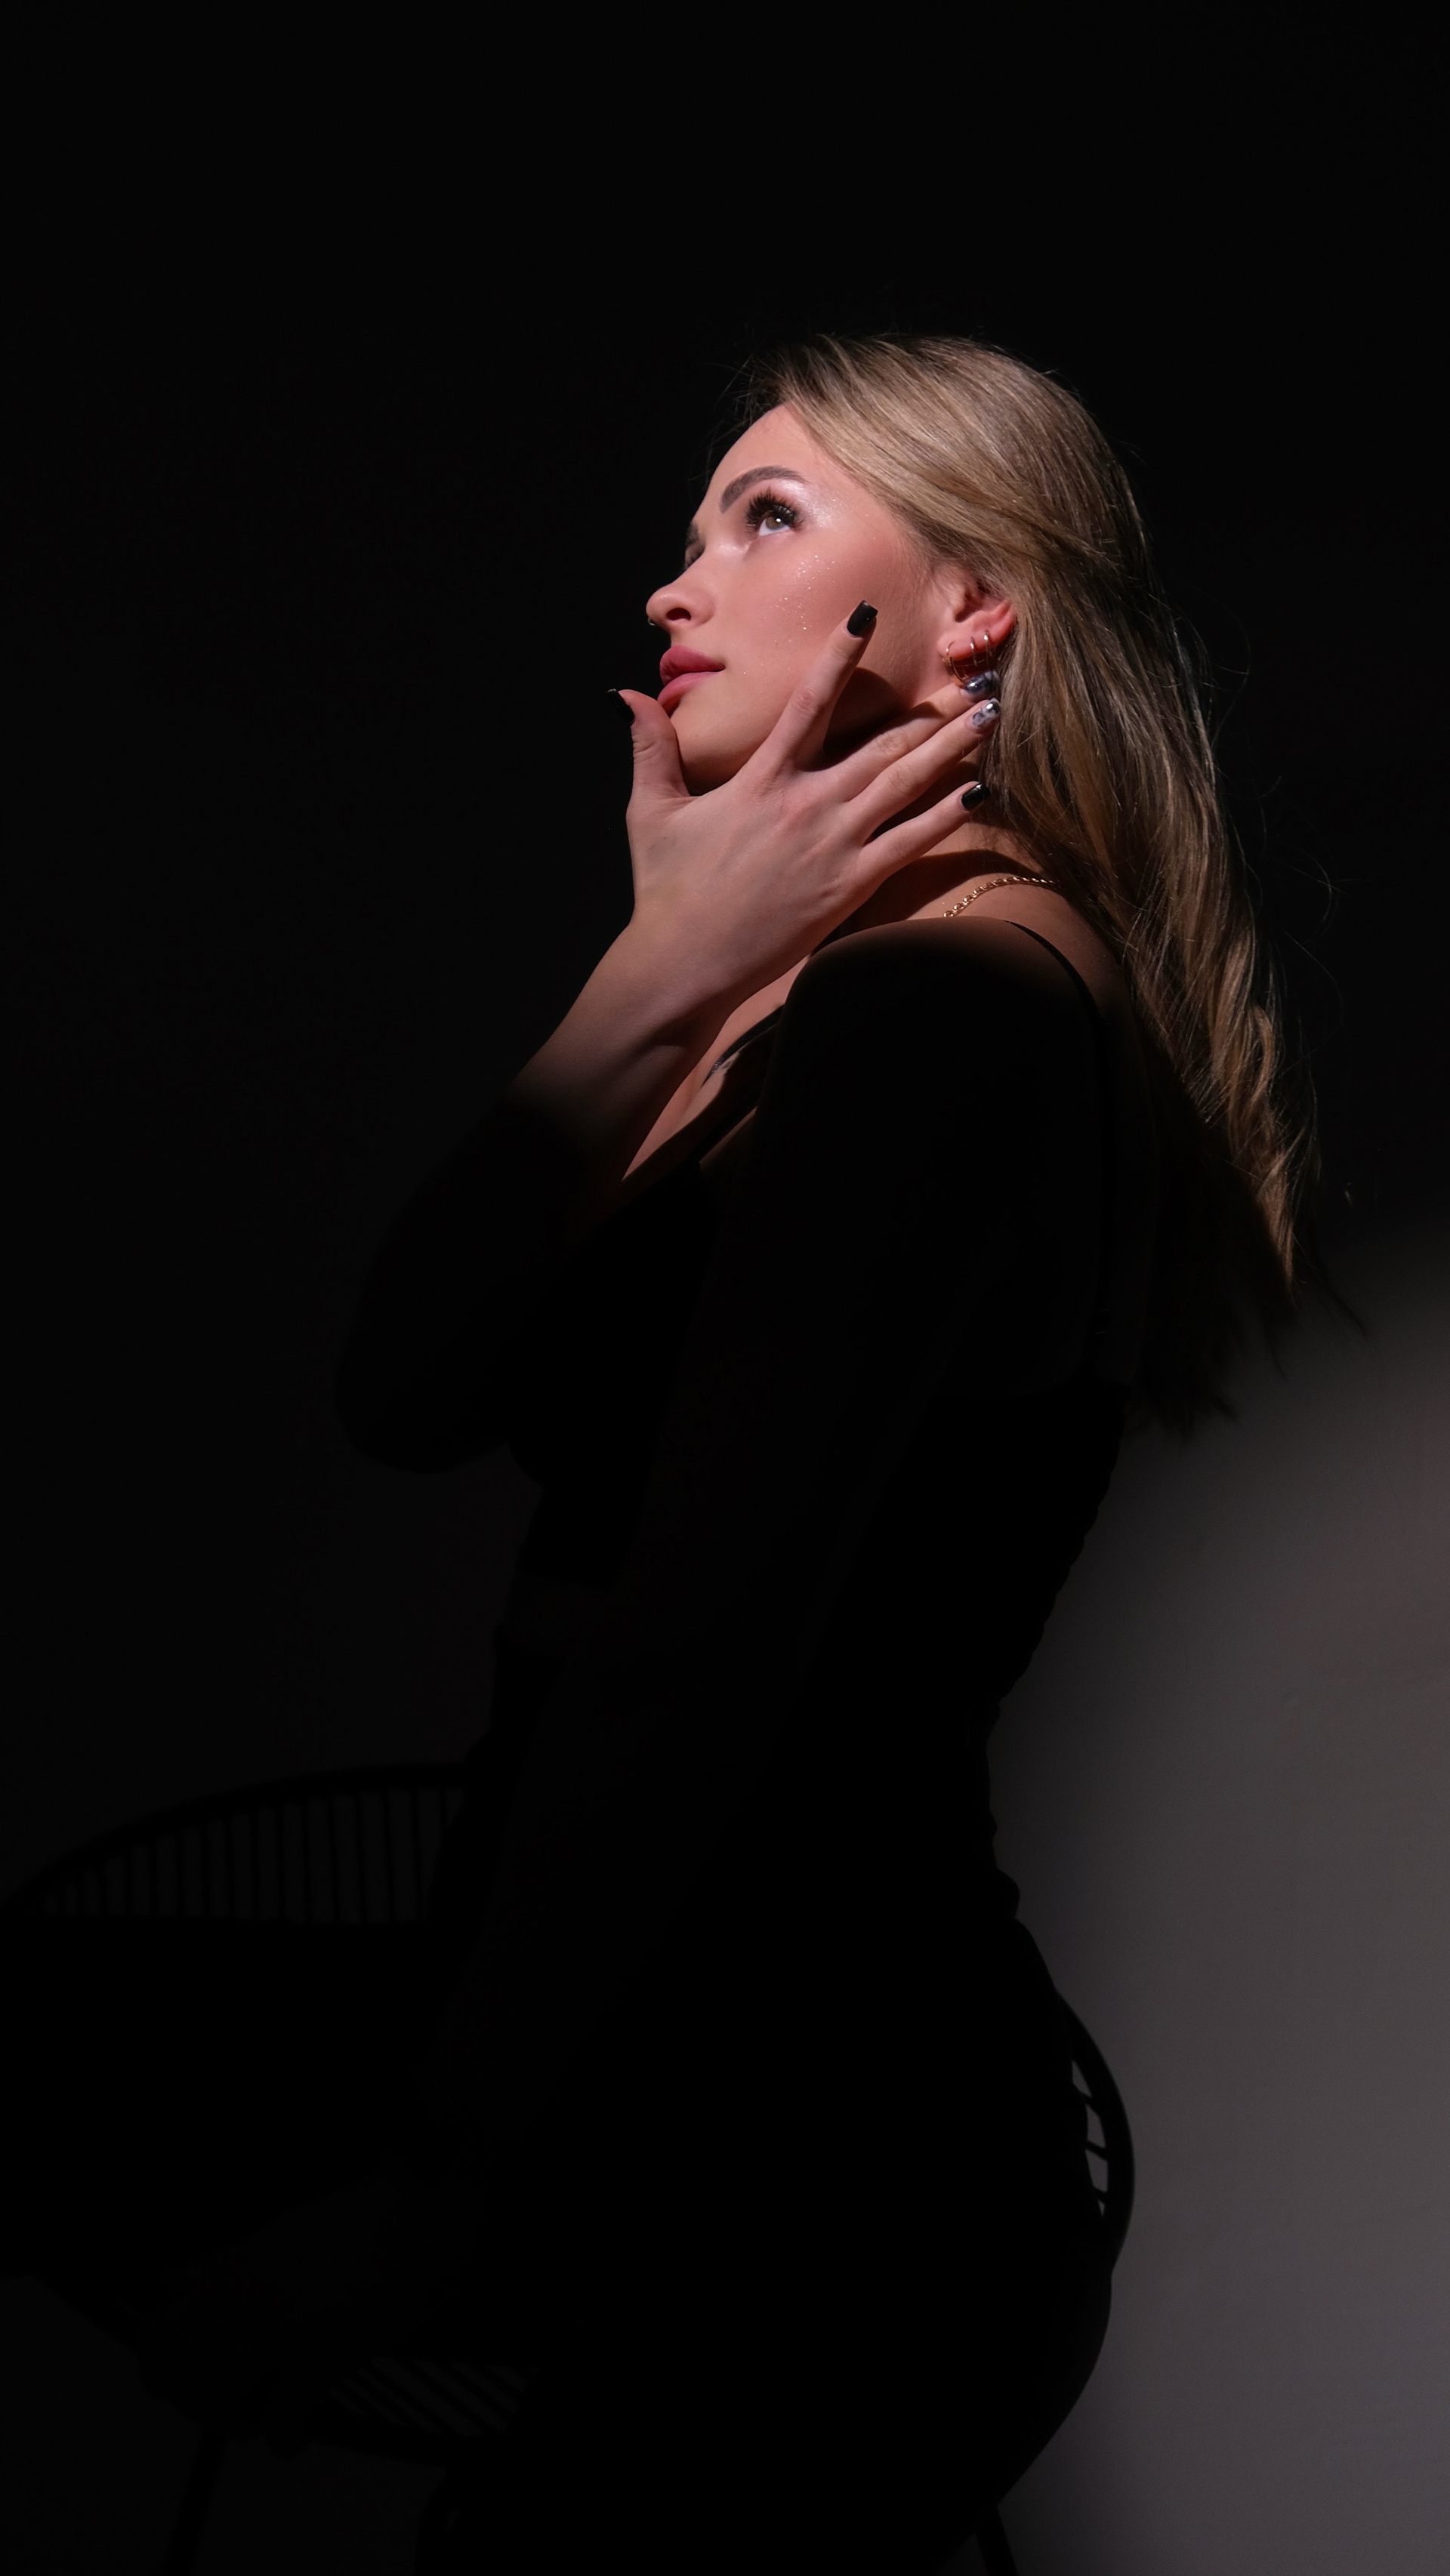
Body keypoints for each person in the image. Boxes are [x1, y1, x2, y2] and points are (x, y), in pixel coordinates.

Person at [106, 334, 1313, 2568]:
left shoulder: (944, 1005)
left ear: (976, 612)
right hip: (654, 2037)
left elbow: (697, 1650)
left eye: (768, 518)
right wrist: (659, 964)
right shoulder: (805, 981)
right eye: (691, 526)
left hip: (799, 2141)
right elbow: (401, 1390)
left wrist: (435, 2183)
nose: (677, 583)